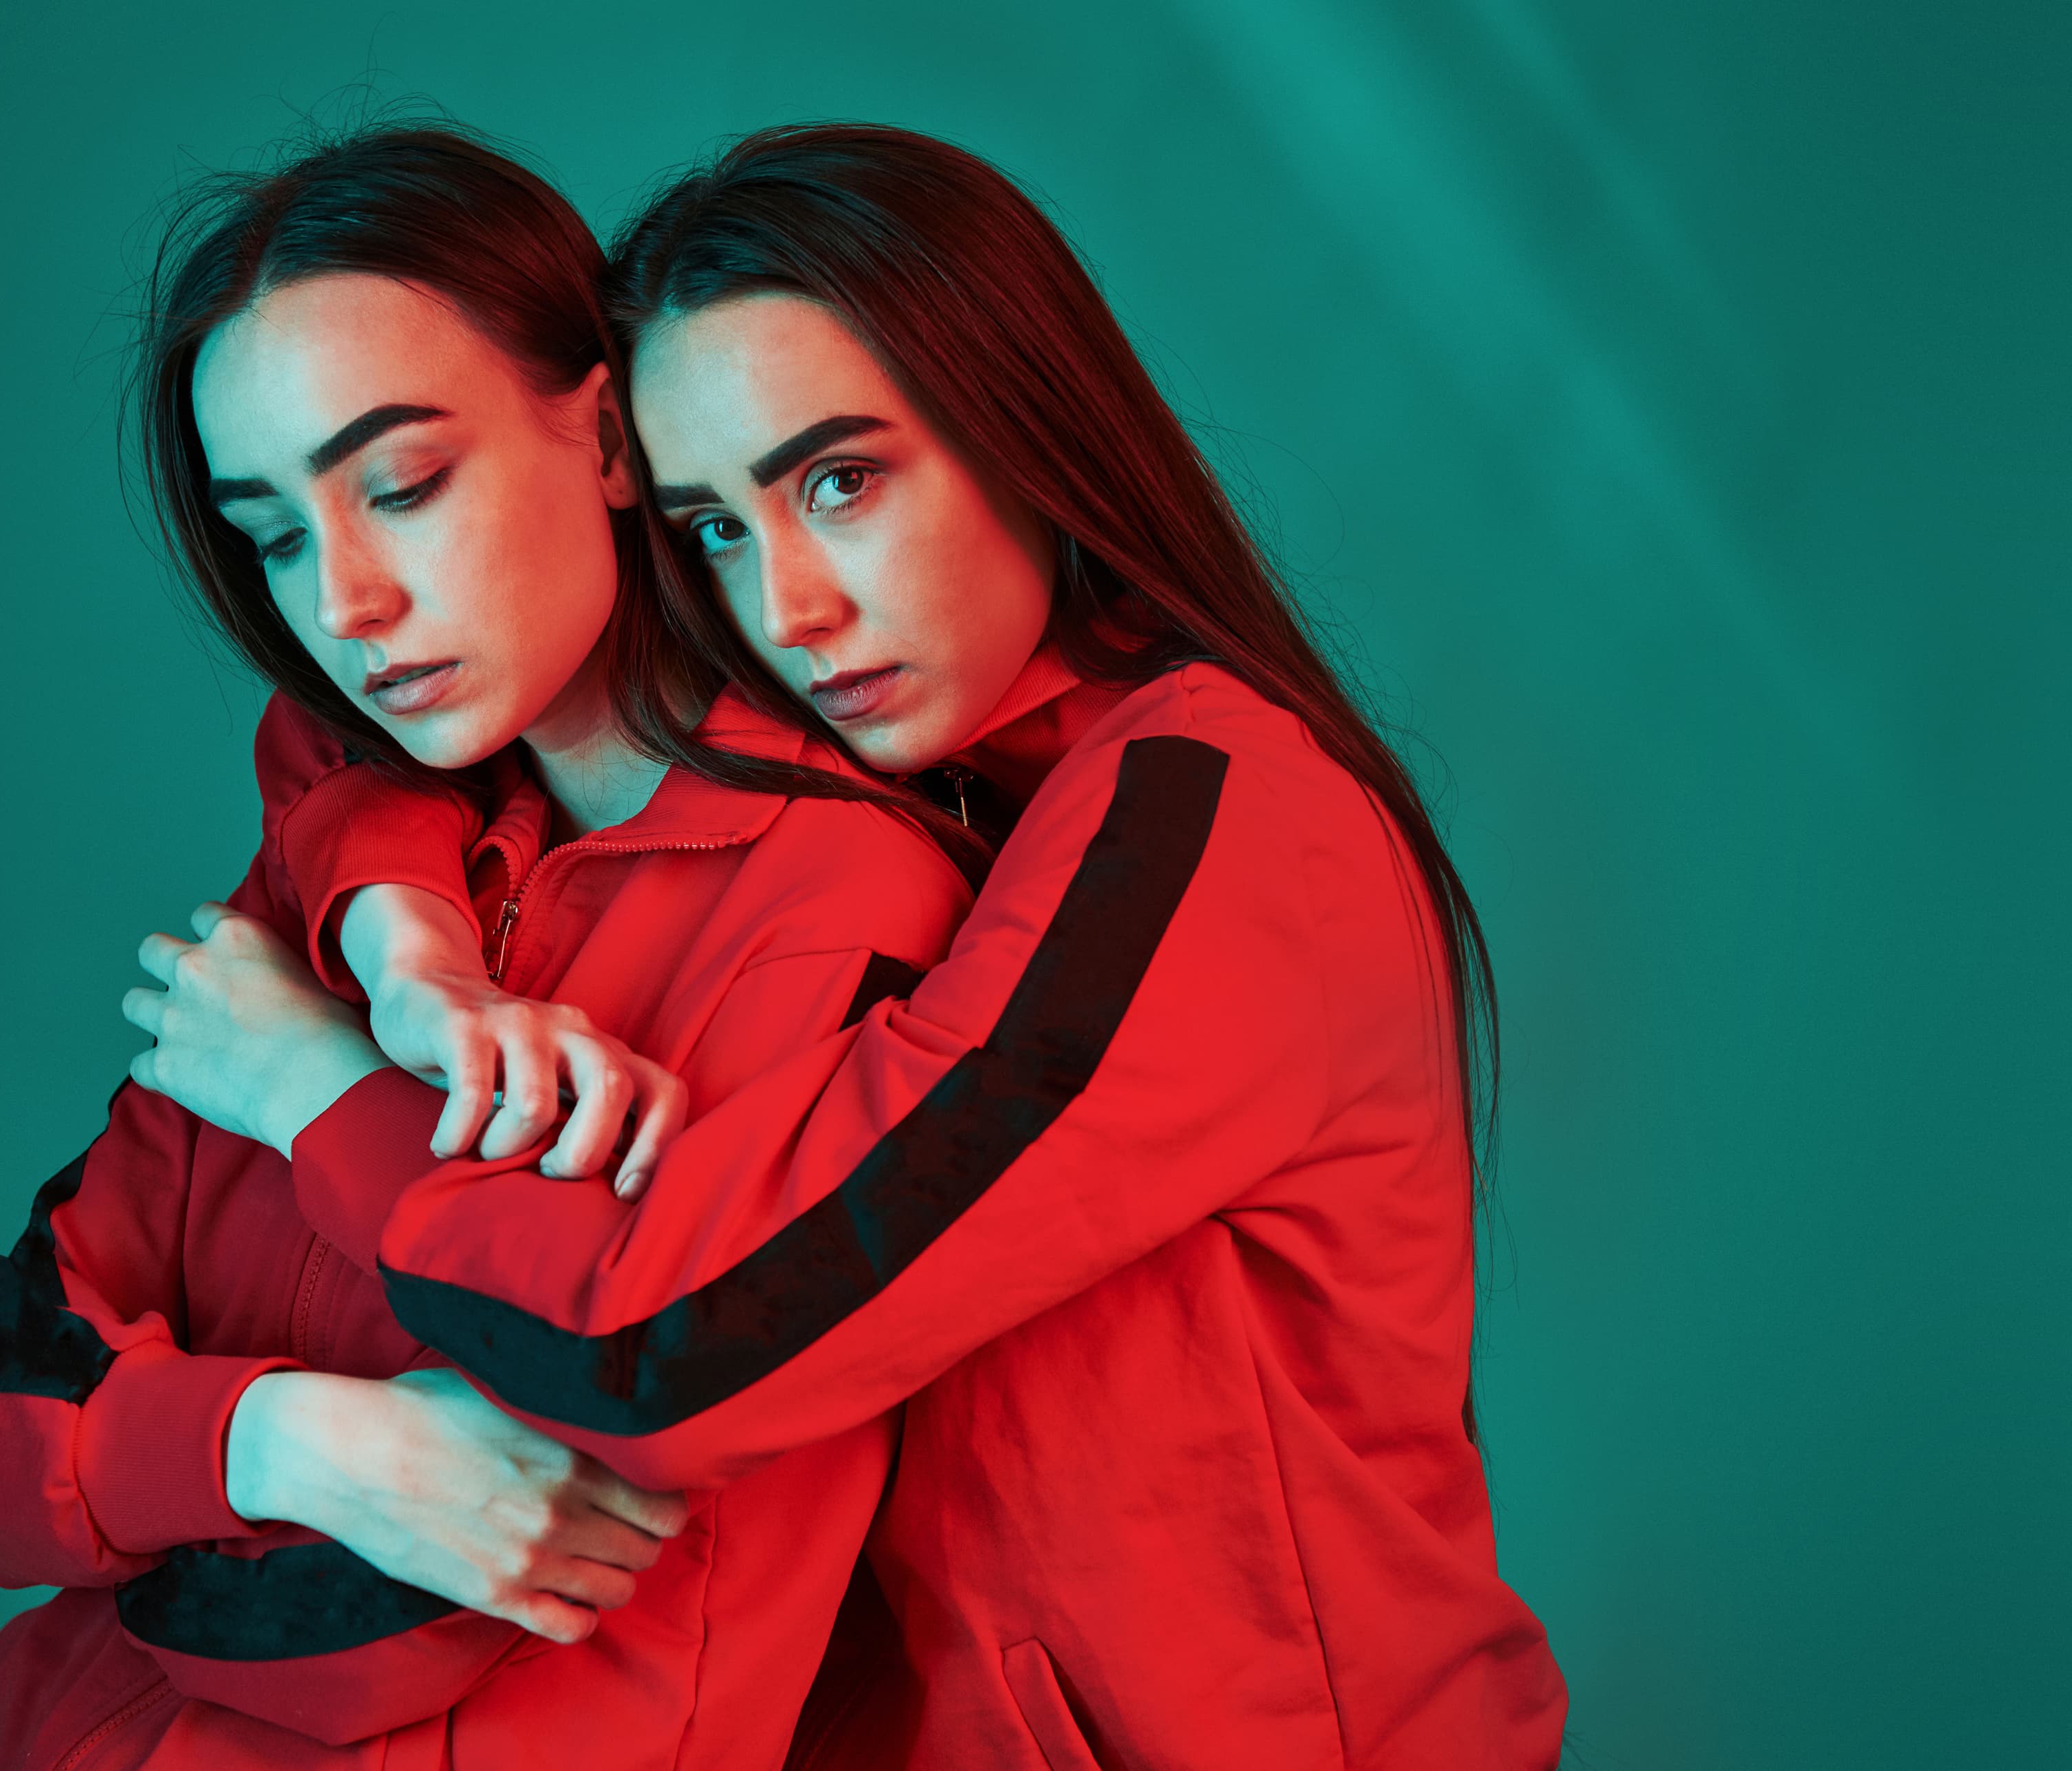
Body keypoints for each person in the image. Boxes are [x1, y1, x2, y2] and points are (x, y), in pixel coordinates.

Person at [131, 125, 1570, 1768]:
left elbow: (677, 1347)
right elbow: (367, 732)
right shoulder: (929, 785)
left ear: (1022, 424)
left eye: (840, 482)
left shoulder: (1212, 818)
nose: (791, 607)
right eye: (715, 527)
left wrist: (320, 1093)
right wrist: (409, 949)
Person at [0, 124, 975, 1770]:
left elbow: (425, 1617)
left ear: (609, 435)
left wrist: (151, 1488)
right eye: (274, 533)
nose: (343, 600)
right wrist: (292, 1443)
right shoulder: (337, 882)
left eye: (402, 486)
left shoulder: (838, 906)